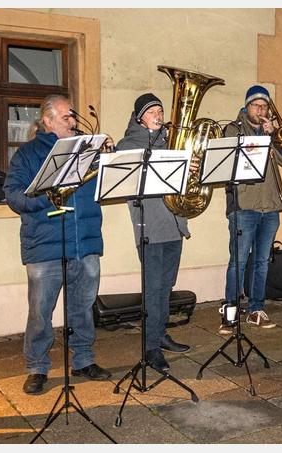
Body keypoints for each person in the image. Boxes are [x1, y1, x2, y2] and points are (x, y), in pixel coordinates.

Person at [3, 94, 111, 395]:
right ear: (47, 120)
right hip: (45, 245)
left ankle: (84, 359)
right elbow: (13, 196)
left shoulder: (86, 151)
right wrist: (45, 198)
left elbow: (110, 180)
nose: (73, 121)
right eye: (66, 117)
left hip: (85, 242)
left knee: (83, 307)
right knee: (40, 311)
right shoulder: (27, 154)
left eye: (73, 117)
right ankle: (37, 366)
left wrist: (108, 155)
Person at [115, 93, 191, 372]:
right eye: (153, 111)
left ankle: (160, 334)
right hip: (150, 227)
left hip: (175, 224)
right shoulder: (128, 145)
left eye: (160, 110)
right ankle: (150, 347)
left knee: (167, 285)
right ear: (139, 117)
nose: (159, 115)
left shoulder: (172, 143)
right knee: (153, 288)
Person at [219, 85, 282, 334]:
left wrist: (274, 137)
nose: (261, 110)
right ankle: (231, 311)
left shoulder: (273, 134)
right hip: (244, 206)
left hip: (270, 207)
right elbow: (226, 164)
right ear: (246, 107)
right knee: (237, 261)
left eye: (264, 106)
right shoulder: (233, 130)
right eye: (256, 105)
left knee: (261, 262)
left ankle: (256, 309)